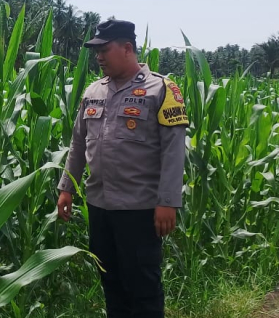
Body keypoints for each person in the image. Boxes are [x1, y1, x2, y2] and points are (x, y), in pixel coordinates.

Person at [56, 19, 188, 318]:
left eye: (104, 49)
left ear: (127, 48)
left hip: (139, 209)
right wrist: (66, 188)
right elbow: (78, 144)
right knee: (111, 282)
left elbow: (173, 151)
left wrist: (167, 202)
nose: (99, 57)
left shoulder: (161, 90)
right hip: (99, 206)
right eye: (96, 51)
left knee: (142, 285)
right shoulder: (93, 91)